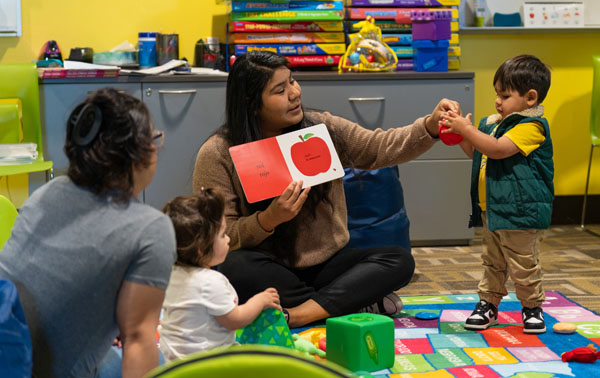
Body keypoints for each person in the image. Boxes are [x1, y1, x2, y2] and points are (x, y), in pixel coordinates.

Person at [192, 50, 460, 328]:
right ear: (251, 102)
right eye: (280, 90)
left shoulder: (320, 128)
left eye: (293, 81)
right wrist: (267, 220)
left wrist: (430, 126)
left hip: (328, 265)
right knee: (231, 269)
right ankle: (346, 301)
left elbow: (379, 147)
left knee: (398, 261)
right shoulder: (217, 153)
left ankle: (298, 314)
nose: (295, 93)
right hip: (267, 268)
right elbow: (217, 236)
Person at [0, 88, 177, 378]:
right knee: (157, 355)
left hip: (8, 345)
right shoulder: (150, 229)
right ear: (137, 154)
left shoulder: (49, 192)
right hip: (32, 368)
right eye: (153, 139)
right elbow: (138, 340)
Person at [441, 54, 553, 334]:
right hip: (492, 207)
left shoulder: (532, 127)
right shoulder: (491, 123)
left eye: (504, 95)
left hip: (521, 210)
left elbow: (498, 149)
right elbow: (478, 152)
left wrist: (469, 130)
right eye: (496, 94)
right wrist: (462, 135)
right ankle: (487, 304)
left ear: (530, 98)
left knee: (523, 263)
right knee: (493, 261)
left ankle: (532, 307)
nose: (497, 101)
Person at [159, 190, 281, 361]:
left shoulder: (172, 273)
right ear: (201, 249)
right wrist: (260, 301)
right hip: (208, 362)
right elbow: (235, 320)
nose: (229, 239)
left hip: (173, 360)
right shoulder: (210, 282)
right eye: (222, 235)